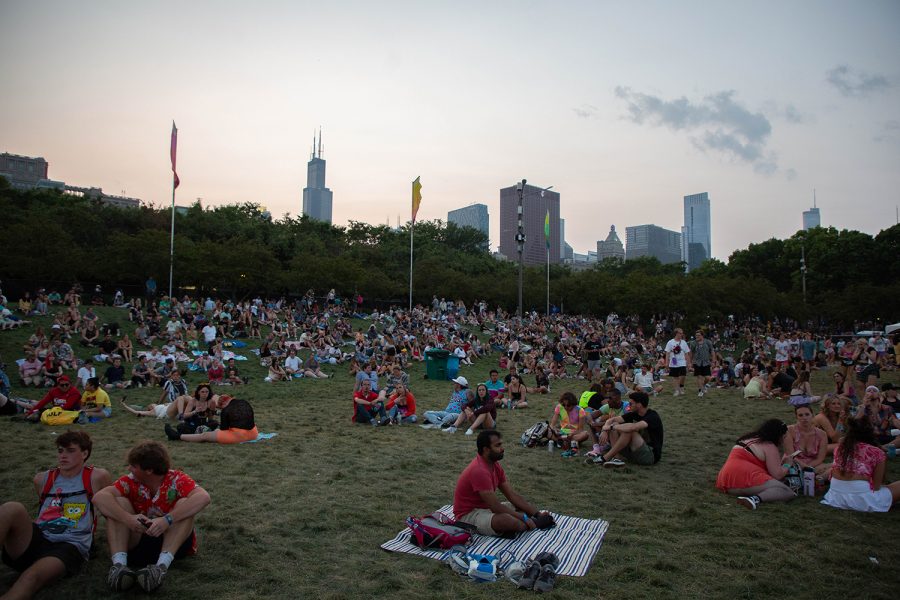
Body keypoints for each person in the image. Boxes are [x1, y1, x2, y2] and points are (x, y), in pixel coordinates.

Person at [0, 431, 111, 599]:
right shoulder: (42, 479)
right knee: (11, 508)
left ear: (85, 453)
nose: (63, 456)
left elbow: (109, 510)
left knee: (31, 577)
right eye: (60, 451)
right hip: (38, 537)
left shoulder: (96, 477)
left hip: (70, 544)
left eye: (70, 450)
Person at [93, 441, 211, 593]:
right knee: (118, 503)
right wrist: (128, 518)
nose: (129, 469)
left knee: (185, 503)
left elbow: (204, 497)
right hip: (138, 542)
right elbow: (99, 497)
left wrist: (166, 520)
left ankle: (161, 567)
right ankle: (119, 566)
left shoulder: (176, 479)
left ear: (149, 470)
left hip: (174, 543)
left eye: (133, 466)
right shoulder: (131, 480)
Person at [453, 430, 554, 536]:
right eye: (498, 445)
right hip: (468, 515)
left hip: (485, 509)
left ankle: (528, 522)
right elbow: (495, 506)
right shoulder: (479, 471)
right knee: (507, 520)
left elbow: (512, 495)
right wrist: (524, 518)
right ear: (486, 449)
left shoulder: (494, 465)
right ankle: (533, 524)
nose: (502, 449)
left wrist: (537, 514)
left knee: (523, 506)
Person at [821, 417, 900, 512]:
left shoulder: (840, 448)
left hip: (836, 496)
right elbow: (876, 486)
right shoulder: (877, 452)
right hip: (862, 500)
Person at [715, 419, 795, 510]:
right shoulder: (769, 446)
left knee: (776, 485)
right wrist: (787, 464)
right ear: (778, 436)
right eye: (783, 437)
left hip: (726, 481)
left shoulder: (747, 438)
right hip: (746, 477)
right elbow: (777, 475)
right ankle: (754, 499)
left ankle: (752, 496)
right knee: (787, 491)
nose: (783, 440)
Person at [588, 392, 663, 468]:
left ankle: (605, 458)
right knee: (615, 424)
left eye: (631, 404)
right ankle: (617, 458)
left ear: (639, 405)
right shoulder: (634, 414)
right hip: (633, 452)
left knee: (628, 430)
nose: (629, 406)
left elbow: (633, 427)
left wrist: (611, 427)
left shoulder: (652, 416)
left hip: (649, 456)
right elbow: (612, 420)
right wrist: (605, 430)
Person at [165, 395, 258, 444]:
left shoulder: (226, 410)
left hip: (238, 436)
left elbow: (224, 430)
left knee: (204, 435)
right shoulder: (243, 402)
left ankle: (177, 436)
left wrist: (216, 430)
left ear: (223, 405)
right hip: (253, 432)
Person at [783, 404, 829, 476]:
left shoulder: (822, 434)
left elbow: (820, 458)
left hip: (814, 465)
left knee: (834, 467)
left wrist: (808, 467)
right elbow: (790, 455)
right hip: (794, 463)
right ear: (796, 417)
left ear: (812, 415)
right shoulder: (789, 430)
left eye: (807, 414)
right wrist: (805, 467)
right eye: (800, 415)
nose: (804, 418)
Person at [547, 391, 588, 457]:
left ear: (573, 404)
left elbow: (580, 430)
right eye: (564, 405)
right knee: (548, 431)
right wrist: (554, 430)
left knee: (585, 434)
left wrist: (572, 435)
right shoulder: (559, 407)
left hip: (574, 434)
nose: (565, 407)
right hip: (562, 433)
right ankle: (568, 443)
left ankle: (563, 442)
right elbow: (552, 425)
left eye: (568, 405)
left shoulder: (580, 410)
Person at [665, 328, 691, 396]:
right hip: (673, 361)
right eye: (680, 333)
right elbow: (667, 353)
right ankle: (676, 390)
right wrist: (666, 363)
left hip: (682, 361)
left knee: (683, 375)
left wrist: (689, 363)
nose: (682, 334)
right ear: (676, 333)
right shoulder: (670, 342)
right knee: (675, 377)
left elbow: (686, 353)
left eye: (682, 333)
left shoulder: (684, 342)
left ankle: (681, 386)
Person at [689, 330, 715, 397]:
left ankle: (703, 385)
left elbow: (712, 352)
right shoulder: (693, 343)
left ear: (702, 335)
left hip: (706, 362)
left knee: (708, 377)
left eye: (698, 335)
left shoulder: (708, 342)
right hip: (697, 362)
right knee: (699, 376)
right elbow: (691, 353)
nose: (697, 337)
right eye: (696, 335)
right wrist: (690, 362)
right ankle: (700, 390)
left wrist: (713, 361)